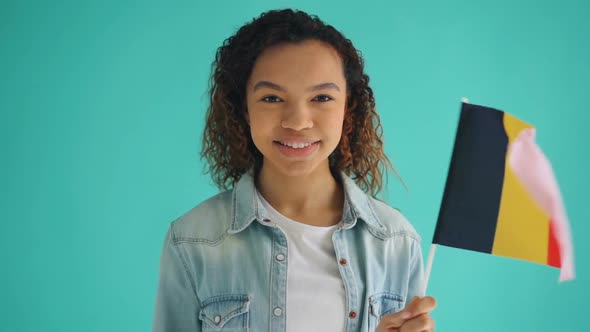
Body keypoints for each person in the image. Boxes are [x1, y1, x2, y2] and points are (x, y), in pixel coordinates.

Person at [153, 8, 436, 332]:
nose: (298, 121)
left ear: (348, 107)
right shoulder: (192, 241)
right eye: (272, 98)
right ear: (244, 108)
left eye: (322, 97)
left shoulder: (396, 242)